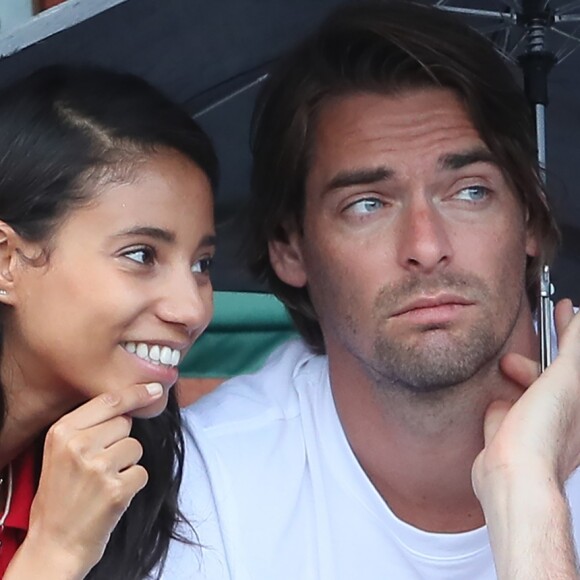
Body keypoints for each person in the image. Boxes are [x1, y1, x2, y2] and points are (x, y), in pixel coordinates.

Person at [167, 1, 580, 579]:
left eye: (469, 192)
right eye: (367, 204)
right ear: (290, 247)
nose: (427, 245)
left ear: (532, 221)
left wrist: (532, 494)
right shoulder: (212, 484)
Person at [0, 65, 217, 579]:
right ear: (8, 261)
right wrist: (55, 552)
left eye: (202, 265)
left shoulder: (110, 467)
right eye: (141, 255)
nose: (191, 310)